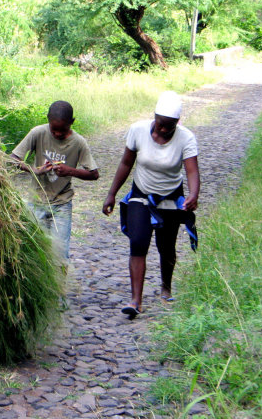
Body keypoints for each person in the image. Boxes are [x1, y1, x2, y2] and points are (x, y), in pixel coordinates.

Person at [102, 91, 200, 317]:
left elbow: (192, 170)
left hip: (170, 198)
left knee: (166, 247)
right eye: (159, 124)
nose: (162, 130)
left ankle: (166, 287)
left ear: (177, 122)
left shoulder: (186, 138)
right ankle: (136, 301)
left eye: (169, 126)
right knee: (138, 242)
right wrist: (112, 194)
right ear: (154, 117)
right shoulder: (137, 130)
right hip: (141, 195)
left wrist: (193, 195)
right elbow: (126, 163)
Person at [11, 100, 99, 260]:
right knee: (36, 254)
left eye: (63, 130)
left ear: (72, 122)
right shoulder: (38, 133)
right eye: (54, 129)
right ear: (48, 120)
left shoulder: (78, 142)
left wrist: (70, 171)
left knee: (59, 255)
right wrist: (35, 170)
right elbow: (13, 159)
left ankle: (60, 284)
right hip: (36, 202)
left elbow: (94, 174)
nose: (58, 134)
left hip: (62, 205)